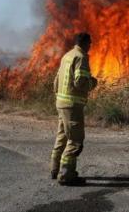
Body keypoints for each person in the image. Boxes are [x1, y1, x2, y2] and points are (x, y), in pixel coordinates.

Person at [50, 32, 97, 186]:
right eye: (90, 43)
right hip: (72, 106)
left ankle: (55, 169)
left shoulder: (67, 55)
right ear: (84, 43)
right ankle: (66, 175)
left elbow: (56, 80)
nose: (90, 46)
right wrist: (93, 83)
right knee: (76, 141)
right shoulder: (81, 57)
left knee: (62, 137)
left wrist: (59, 97)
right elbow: (80, 82)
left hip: (61, 103)